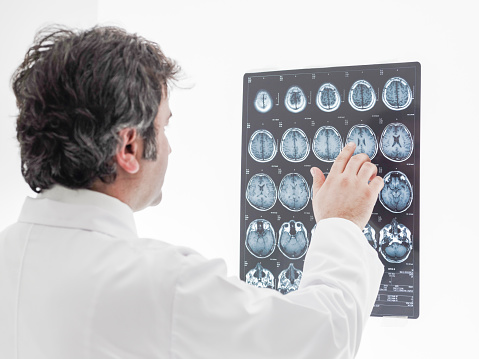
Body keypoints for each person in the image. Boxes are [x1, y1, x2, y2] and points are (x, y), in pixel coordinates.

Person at [0, 25, 384, 359]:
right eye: (164, 128)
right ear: (129, 149)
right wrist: (341, 223)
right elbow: (323, 340)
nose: (168, 148)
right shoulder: (160, 284)